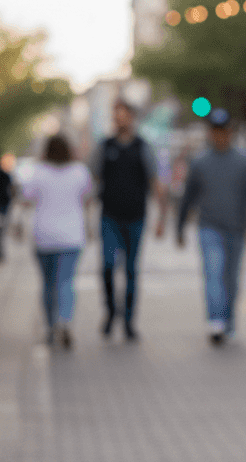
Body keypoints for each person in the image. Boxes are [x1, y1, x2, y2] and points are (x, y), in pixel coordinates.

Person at [176, 108, 246, 346]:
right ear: (210, 133)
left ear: (230, 132)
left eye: (223, 131)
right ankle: (215, 321)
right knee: (213, 273)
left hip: (236, 228)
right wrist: (180, 226)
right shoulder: (200, 161)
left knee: (231, 279)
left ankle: (229, 321)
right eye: (215, 131)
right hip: (209, 228)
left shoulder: (245, 161)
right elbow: (188, 196)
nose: (220, 136)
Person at [90, 100, 169, 341]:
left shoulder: (142, 147)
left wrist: (161, 218)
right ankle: (111, 311)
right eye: (116, 116)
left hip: (136, 217)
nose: (119, 120)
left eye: (122, 116)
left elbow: (156, 182)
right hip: (109, 217)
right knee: (107, 266)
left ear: (132, 118)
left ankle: (129, 320)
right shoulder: (104, 147)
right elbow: (92, 181)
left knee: (132, 270)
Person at [17, 135, 92, 349]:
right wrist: (91, 227)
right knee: (66, 281)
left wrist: (18, 225)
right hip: (71, 236)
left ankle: (50, 327)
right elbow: (88, 200)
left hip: (44, 236)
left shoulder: (38, 172)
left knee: (48, 284)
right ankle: (65, 322)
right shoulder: (80, 172)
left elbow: (26, 198)